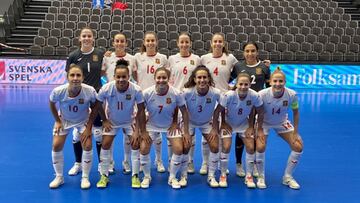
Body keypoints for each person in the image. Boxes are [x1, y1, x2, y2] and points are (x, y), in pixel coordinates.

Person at [96, 59, 147, 188]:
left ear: (128, 77)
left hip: (129, 122)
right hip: (112, 122)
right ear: (114, 77)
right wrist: (105, 120)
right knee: (105, 144)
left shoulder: (136, 89)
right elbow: (98, 105)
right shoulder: (107, 88)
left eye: (124, 77)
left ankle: (135, 176)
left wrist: (137, 130)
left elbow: (141, 109)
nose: (121, 79)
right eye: (118, 77)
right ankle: (104, 175)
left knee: (135, 144)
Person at [49, 64, 99, 189]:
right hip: (65, 120)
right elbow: (51, 103)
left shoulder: (90, 90)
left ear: (83, 77)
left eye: (78, 75)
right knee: (56, 145)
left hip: (83, 120)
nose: (75, 78)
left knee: (87, 145)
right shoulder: (58, 91)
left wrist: (89, 127)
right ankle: (59, 177)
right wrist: (58, 121)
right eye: (72, 75)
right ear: (67, 77)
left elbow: (95, 107)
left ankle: (85, 177)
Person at [141, 67, 191, 189]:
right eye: (159, 77)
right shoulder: (147, 93)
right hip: (151, 125)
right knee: (143, 149)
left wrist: (185, 132)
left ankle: (172, 177)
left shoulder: (176, 93)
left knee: (179, 149)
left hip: (170, 126)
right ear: (154, 79)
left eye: (164, 78)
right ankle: (147, 176)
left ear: (169, 79)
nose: (161, 80)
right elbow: (140, 112)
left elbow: (184, 112)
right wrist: (142, 131)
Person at [66, 27, 106, 176]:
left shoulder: (101, 53)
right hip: (79, 99)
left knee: (98, 132)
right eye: (84, 36)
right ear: (79, 38)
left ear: (93, 38)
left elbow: (103, 71)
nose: (87, 38)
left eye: (89, 36)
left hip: (95, 98)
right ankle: (78, 163)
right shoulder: (73, 56)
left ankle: (102, 164)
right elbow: (69, 77)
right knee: (78, 133)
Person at [256, 67, 303, 189]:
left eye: (280, 81)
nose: (278, 84)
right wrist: (259, 129)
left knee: (298, 146)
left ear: (285, 82)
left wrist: (296, 132)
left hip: (281, 122)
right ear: (270, 82)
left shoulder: (292, 94)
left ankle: (287, 177)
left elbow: (296, 112)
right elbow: (256, 113)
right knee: (260, 147)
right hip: (264, 122)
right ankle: (260, 176)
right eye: (275, 81)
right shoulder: (262, 94)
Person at [215, 73, 264, 188]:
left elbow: (257, 111)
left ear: (249, 84)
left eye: (246, 84)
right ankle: (223, 174)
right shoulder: (229, 95)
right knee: (226, 147)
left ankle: (249, 176)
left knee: (251, 147)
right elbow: (219, 110)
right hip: (229, 124)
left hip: (243, 124)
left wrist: (252, 126)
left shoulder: (254, 95)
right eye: (240, 84)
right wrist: (223, 123)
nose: (243, 86)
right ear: (236, 84)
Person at [230, 42, 271, 178]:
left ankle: (252, 163)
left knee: (255, 134)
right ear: (243, 53)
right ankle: (238, 163)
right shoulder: (238, 66)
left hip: (258, 105)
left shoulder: (264, 67)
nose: (250, 54)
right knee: (241, 134)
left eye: (253, 51)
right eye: (247, 51)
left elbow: (269, 85)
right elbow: (229, 81)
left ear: (257, 52)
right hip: (242, 106)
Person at [199, 33, 238, 175]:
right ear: (211, 43)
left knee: (221, 132)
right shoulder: (204, 58)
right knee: (207, 133)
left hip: (224, 100)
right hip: (208, 99)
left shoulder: (230, 58)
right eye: (215, 41)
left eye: (220, 41)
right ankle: (205, 163)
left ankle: (222, 163)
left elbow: (240, 72)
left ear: (223, 43)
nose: (217, 44)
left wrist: (233, 86)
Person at [102, 33, 136, 174]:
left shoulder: (132, 58)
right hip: (112, 98)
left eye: (122, 41)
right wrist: (108, 85)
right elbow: (102, 73)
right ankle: (110, 162)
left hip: (127, 97)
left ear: (126, 43)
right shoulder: (107, 57)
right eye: (117, 41)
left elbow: (136, 76)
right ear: (114, 43)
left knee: (127, 133)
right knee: (110, 132)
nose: (120, 43)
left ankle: (126, 161)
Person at [134, 32, 168, 173]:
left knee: (158, 131)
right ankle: (140, 162)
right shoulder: (137, 57)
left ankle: (158, 160)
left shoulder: (163, 58)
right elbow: (133, 74)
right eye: (148, 40)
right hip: (143, 98)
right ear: (144, 42)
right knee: (142, 130)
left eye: (152, 40)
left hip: (158, 97)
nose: (150, 43)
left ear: (156, 42)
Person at [182, 65, 222, 187]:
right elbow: (181, 111)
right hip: (190, 122)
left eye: (205, 77)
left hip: (206, 122)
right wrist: (186, 131)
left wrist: (215, 128)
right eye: (199, 77)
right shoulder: (187, 92)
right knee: (185, 147)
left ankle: (211, 176)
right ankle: (183, 176)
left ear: (209, 79)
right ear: (194, 79)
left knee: (215, 146)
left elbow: (220, 109)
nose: (202, 80)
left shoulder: (216, 93)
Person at [167, 32, 201, 174]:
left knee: (190, 132)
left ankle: (190, 161)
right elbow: (169, 78)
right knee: (173, 130)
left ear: (190, 43)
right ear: (177, 43)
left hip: (191, 98)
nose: (184, 44)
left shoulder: (197, 59)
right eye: (182, 42)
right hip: (176, 98)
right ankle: (170, 160)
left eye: (187, 42)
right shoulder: (172, 58)